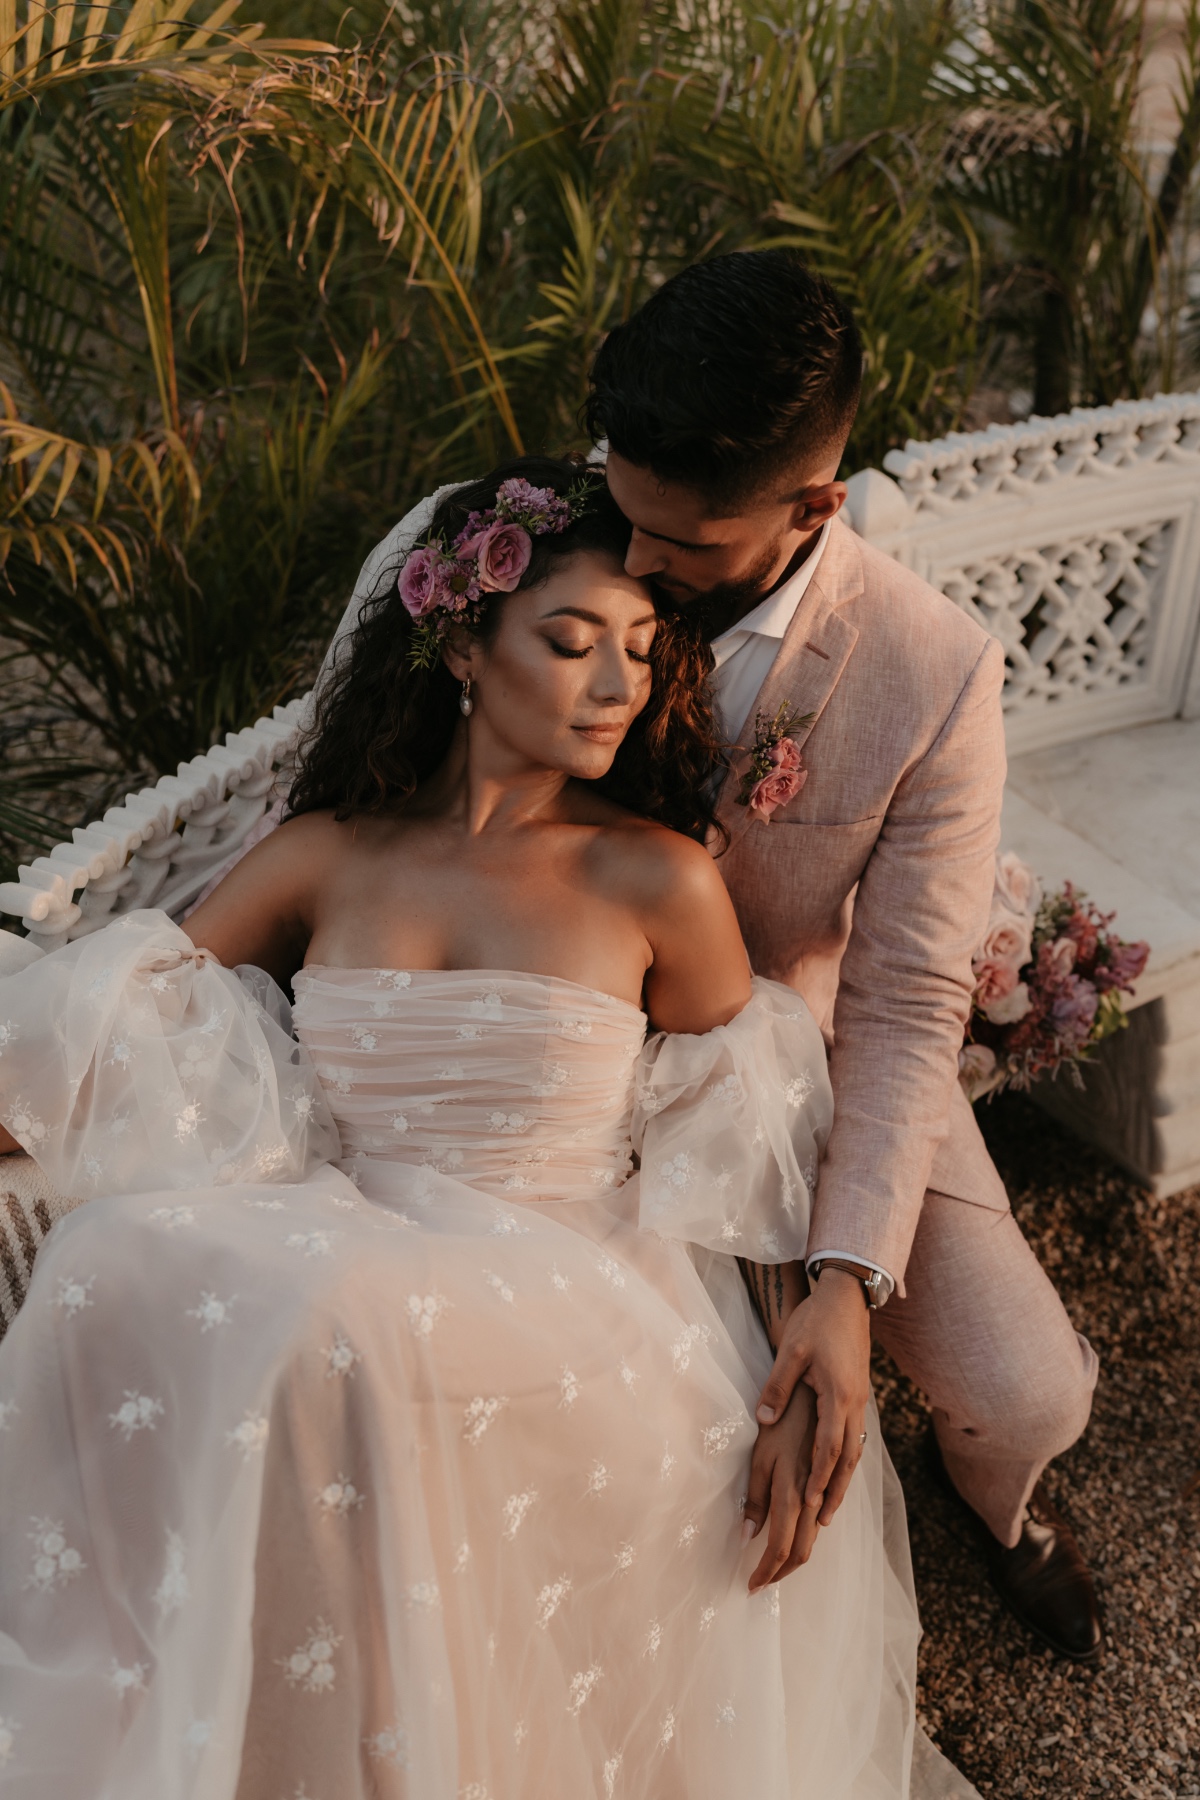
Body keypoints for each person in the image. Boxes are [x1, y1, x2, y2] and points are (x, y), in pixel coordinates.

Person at [0, 462, 975, 1798]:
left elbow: (752, 1136)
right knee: (108, 1260)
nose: (618, 684)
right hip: (342, 1239)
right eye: (573, 642)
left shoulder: (657, 877)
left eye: (643, 650)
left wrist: (831, 1302)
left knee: (323, 1317)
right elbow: (127, 1021)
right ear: (464, 644)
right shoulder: (330, 853)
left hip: (564, 1284)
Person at [586, 250, 1103, 1663]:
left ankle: (990, 1507)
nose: (632, 564)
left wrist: (846, 1280)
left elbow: (907, 996)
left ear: (815, 503)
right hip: (553, 1035)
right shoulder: (548, 537)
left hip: (801, 1053)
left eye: (679, 544)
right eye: (618, 506)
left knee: (1032, 1391)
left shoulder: (933, 671)